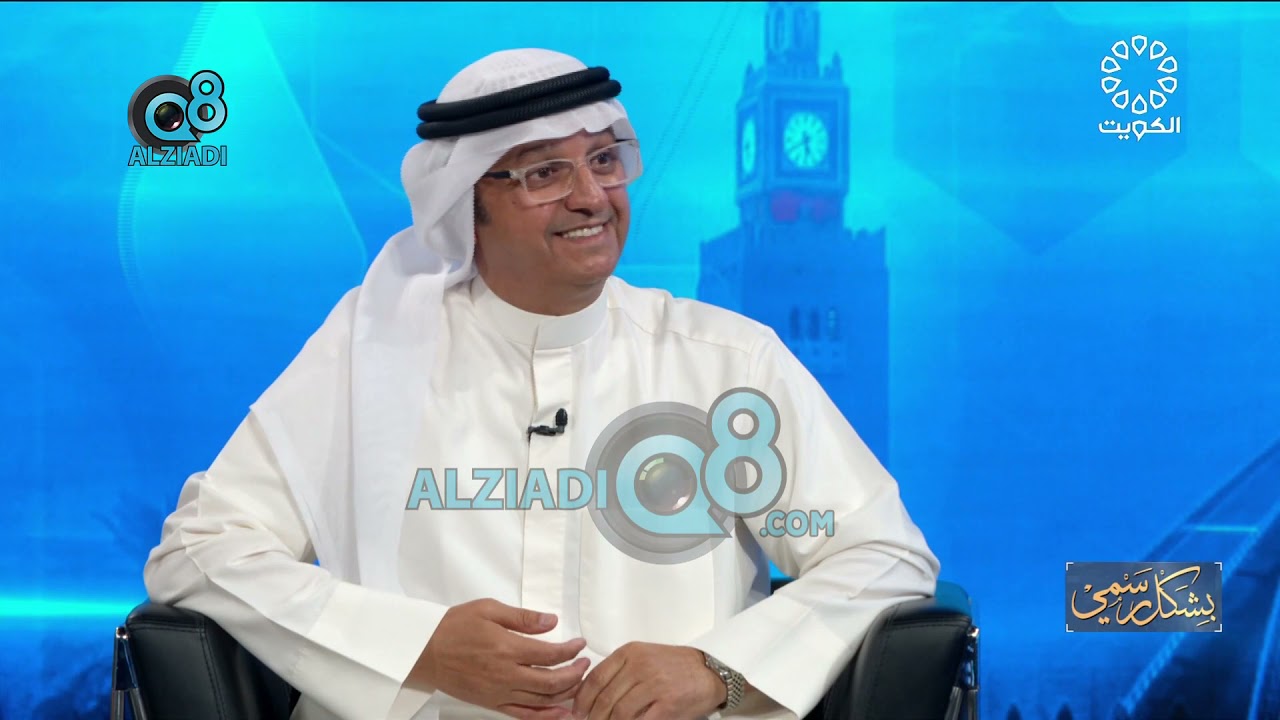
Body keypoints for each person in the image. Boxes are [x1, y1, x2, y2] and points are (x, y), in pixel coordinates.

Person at [143, 48, 940, 720]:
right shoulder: (369, 349)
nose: (591, 197)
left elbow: (883, 554)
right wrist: (417, 650)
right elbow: (200, 549)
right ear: (468, 203)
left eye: (605, 161)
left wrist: (717, 669)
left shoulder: (727, 361)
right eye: (545, 173)